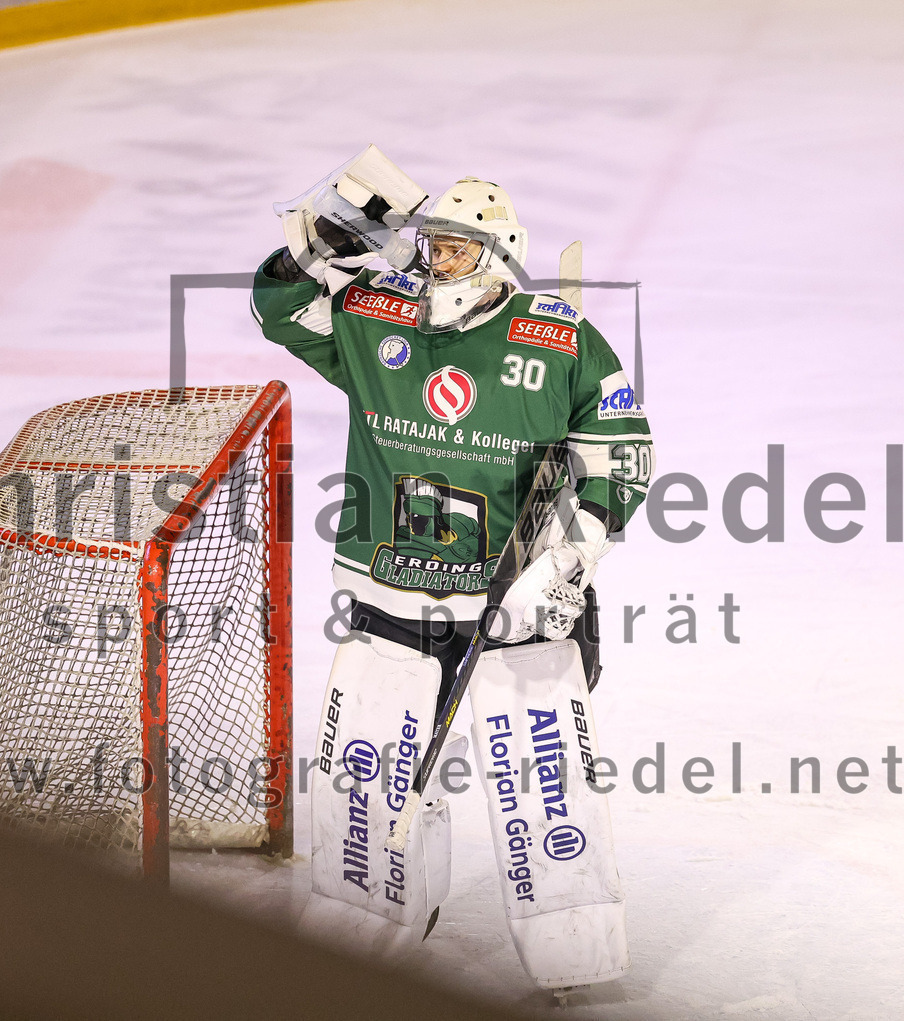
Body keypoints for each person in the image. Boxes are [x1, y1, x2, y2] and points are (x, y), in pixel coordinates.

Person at [252, 149, 653, 997]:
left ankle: (570, 947)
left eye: (460, 248)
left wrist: (569, 559)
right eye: (433, 244)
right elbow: (280, 307)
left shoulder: (559, 339)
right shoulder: (379, 319)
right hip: (391, 594)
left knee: (548, 788)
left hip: (518, 610)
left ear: (500, 253)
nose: (440, 261)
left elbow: (623, 460)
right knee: (363, 780)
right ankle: (366, 932)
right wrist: (316, 244)